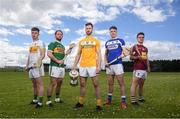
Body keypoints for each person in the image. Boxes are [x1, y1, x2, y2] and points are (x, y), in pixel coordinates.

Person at [72, 22, 102, 111]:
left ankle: (99, 105)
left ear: (92, 29)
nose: (88, 29)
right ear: (85, 29)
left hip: (93, 65)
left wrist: (99, 66)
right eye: (86, 28)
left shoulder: (96, 41)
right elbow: (78, 54)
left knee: (96, 85)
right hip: (82, 65)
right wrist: (74, 65)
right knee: (82, 85)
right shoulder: (81, 41)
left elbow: (99, 54)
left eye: (89, 28)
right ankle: (80, 103)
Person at [104, 26, 127, 109]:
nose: (112, 32)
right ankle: (109, 100)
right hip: (109, 65)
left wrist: (123, 55)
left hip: (118, 64)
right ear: (109, 32)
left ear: (116, 32)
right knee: (110, 84)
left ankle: (123, 102)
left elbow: (125, 52)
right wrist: (105, 62)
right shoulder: (107, 42)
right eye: (111, 31)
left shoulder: (121, 41)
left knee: (121, 84)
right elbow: (105, 54)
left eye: (114, 31)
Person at [46, 30, 69, 107]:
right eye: (58, 34)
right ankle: (48, 101)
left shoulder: (62, 46)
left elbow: (63, 57)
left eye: (61, 34)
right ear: (55, 35)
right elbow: (49, 54)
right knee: (53, 83)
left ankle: (57, 98)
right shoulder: (53, 43)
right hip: (54, 66)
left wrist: (67, 53)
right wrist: (57, 61)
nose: (59, 35)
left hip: (61, 67)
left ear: (62, 36)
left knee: (59, 83)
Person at [25, 27, 45, 108]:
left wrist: (38, 62)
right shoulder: (30, 44)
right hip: (30, 67)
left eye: (35, 33)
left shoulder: (41, 42)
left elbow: (43, 54)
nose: (34, 34)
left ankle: (40, 103)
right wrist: (27, 65)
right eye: (32, 33)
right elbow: (29, 56)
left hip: (37, 66)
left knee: (40, 84)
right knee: (34, 85)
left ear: (38, 34)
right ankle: (35, 100)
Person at [130, 32, 150, 107]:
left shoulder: (145, 48)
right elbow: (130, 57)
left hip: (144, 69)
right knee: (134, 84)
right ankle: (133, 100)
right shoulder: (134, 47)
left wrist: (148, 67)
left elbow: (146, 58)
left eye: (142, 37)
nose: (141, 38)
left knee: (141, 85)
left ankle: (141, 98)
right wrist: (137, 57)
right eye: (140, 37)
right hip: (137, 68)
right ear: (137, 38)